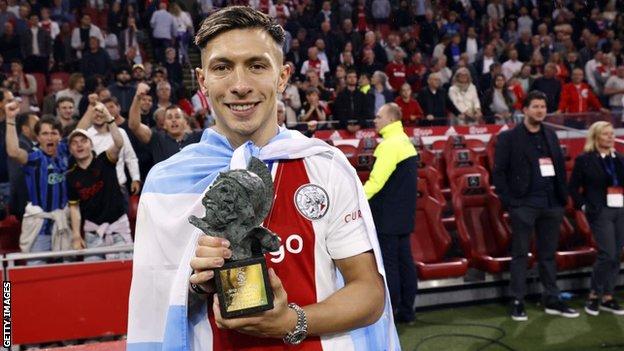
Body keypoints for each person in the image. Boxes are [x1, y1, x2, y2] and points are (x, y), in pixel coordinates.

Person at [127, 6, 398, 351]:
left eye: (256, 66)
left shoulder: (324, 166)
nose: (240, 86)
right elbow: (153, 311)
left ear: (282, 76)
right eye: (222, 68)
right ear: (202, 81)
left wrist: (291, 322)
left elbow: (370, 293)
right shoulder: (166, 183)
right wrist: (197, 285)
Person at [493, 90, 579, 322]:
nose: (541, 110)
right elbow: (499, 173)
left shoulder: (551, 134)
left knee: (548, 255)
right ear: (525, 110)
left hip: (552, 204)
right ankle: (517, 301)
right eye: (536, 106)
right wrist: (511, 202)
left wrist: (563, 198)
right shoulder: (509, 138)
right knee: (520, 254)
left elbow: (559, 169)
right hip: (524, 205)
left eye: (543, 106)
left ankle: (552, 297)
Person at [364, 102, 418, 324]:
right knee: (406, 262)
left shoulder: (388, 145)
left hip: (387, 217)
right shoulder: (406, 142)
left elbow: (376, 182)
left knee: (391, 265)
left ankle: (391, 313)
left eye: (378, 116)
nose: (375, 120)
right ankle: (407, 311)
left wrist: (357, 201)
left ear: (390, 119)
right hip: (404, 216)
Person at [5, 98, 72, 266]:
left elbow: (82, 127)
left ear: (60, 136)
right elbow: (13, 151)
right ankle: (9, 293)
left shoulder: (65, 150)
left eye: (54, 133)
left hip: (62, 226)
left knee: (66, 276)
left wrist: (93, 108)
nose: (50, 137)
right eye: (45, 133)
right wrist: (11, 119)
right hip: (39, 229)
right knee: (36, 276)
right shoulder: (34, 158)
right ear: (38, 138)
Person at [569, 121, 624, 316]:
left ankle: (608, 297)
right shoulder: (585, 159)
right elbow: (573, 188)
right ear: (596, 137)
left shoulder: (619, 158)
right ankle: (594, 295)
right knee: (607, 253)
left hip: (620, 209)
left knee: (616, 254)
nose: (610, 137)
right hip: (600, 211)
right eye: (605, 134)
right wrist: (584, 206)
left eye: (611, 134)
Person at [67, 104, 132, 261]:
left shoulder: (105, 159)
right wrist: (76, 235)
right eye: (74, 143)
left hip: (117, 227)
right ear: (70, 149)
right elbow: (74, 208)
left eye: (83, 141)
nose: (79, 145)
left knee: (123, 275)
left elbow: (118, 143)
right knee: (94, 277)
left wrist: (109, 118)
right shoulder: (70, 176)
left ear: (91, 144)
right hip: (92, 232)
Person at [128, 83, 203, 164]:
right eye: (169, 117)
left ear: (185, 122)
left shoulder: (198, 137)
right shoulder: (157, 139)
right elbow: (134, 126)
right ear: (164, 124)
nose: (173, 120)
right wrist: (138, 97)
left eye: (177, 117)